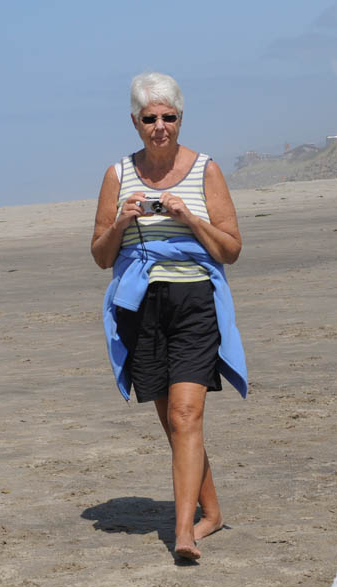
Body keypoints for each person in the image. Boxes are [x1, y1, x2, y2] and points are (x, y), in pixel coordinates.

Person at [91, 72, 247, 562]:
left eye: (168, 117)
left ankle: (183, 533)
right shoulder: (118, 174)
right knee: (174, 422)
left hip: (194, 301)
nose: (159, 126)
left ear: (181, 119)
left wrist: (189, 219)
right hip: (141, 306)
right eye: (149, 118)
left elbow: (232, 249)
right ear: (135, 122)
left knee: (186, 414)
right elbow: (100, 256)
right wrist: (122, 221)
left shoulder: (205, 171)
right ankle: (211, 512)